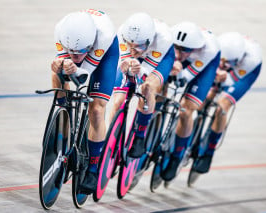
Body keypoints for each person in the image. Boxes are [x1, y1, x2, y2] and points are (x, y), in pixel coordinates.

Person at [51, 9, 119, 194]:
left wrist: (71, 66)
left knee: (96, 109)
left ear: (88, 46)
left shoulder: (103, 36)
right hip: (79, 45)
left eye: (80, 52)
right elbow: (64, 66)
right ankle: (62, 125)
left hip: (104, 56)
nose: (75, 56)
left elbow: (82, 76)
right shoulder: (61, 30)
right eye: (71, 51)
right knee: (57, 72)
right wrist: (60, 66)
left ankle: (93, 168)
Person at [192, 32, 262, 173]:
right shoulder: (217, 47)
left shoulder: (251, 60)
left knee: (222, 106)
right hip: (225, 63)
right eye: (222, 61)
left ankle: (209, 151)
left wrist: (221, 79)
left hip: (245, 73)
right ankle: (194, 130)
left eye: (227, 62)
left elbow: (229, 81)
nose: (223, 65)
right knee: (203, 97)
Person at [161, 22, 221, 181]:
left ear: (195, 48)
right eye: (177, 48)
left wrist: (176, 72)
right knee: (158, 88)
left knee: (186, 109)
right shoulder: (168, 37)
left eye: (185, 50)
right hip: (187, 61)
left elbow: (186, 76)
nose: (180, 54)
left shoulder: (209, 49)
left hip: (204, 66)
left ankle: (177, 155)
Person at [111, 12, 175, 158]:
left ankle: (140, 135)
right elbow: (124, 62)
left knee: (147, 88)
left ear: (148, 40)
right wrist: (128, 64)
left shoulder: (163, 39)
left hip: (160, 59)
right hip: (136, 59)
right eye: (130, 45)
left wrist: (139, 70)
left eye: (138, 47)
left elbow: (145, 74)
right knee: (118, 100)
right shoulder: (123, 33)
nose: (133, 50)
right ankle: (112, 140)